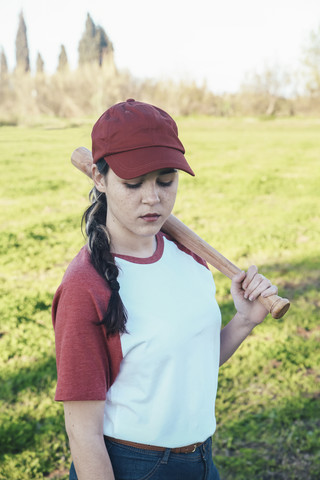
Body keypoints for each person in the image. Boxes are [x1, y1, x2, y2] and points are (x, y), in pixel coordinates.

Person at [52, 99, 278, 480]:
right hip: (132, 466)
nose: (152, 198)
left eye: (165, 179)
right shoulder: (85, 286)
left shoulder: (188, 254)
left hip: (202, 459)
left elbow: (188, 364)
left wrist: (243, 322)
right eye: (133, 183)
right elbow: (83, 432)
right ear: (98, 178)